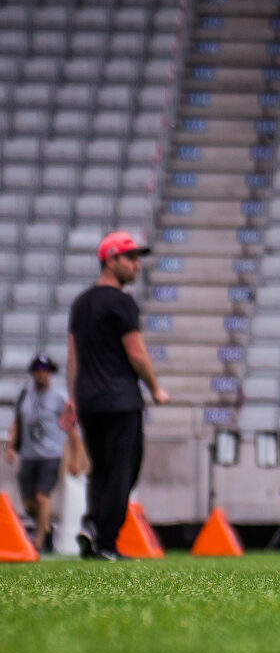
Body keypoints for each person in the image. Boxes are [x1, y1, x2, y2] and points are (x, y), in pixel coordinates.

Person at [67, 231, 168, 562]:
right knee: (123, 471)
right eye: (131, 258)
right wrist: (155, 387)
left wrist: (73, 399)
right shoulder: (122, 303)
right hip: (121, 400)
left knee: (101, 470)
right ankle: (105, 540)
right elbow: (135, 352)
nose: (137, 265)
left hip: (89, 402)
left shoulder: (81, 303)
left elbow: (73, 356)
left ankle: (92, 527)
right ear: (110, 260)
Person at [6, 354, 76, 558]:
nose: (41, 374)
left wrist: (75, 455)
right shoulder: (24, 396)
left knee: (41, 497)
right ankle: (45, 527)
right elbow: (17, 422)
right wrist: (11, 446)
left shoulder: (59, 398)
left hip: (51, 455)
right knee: (29, 504)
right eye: (38, 371)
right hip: (29, 455)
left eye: (45, 371)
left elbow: (70, 427)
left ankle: (39, 542)